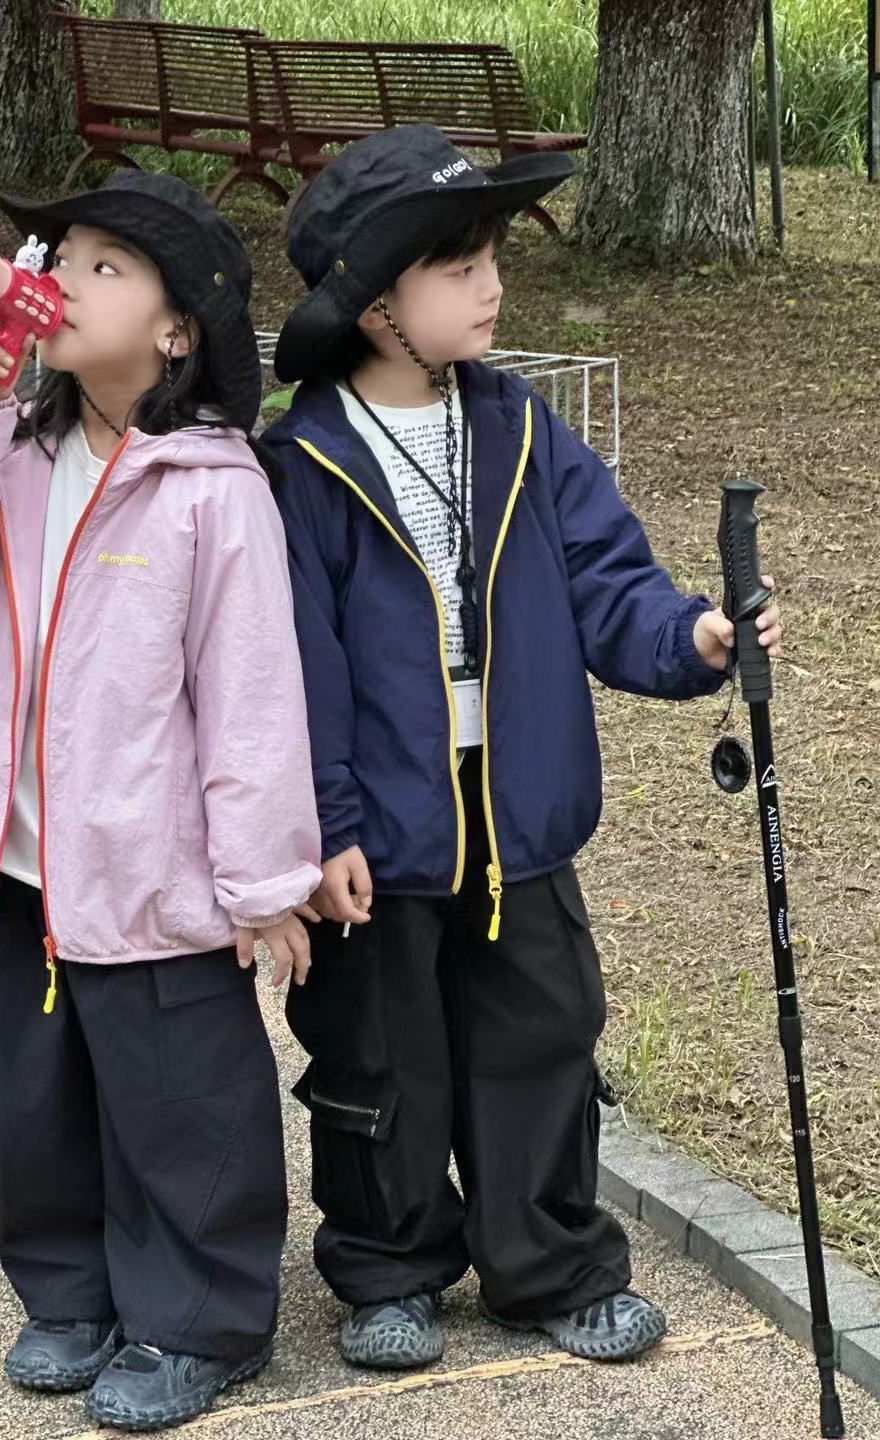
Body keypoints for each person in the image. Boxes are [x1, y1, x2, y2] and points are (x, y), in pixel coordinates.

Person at [261, 126, 783, 1371]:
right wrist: (326, 823)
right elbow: (294, 668)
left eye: (493, 258)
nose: (493, 286)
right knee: (378, 1054)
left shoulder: (519, 428)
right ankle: (390, 1267)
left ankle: (550, 1262)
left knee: (541, 1039)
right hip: (378, 830)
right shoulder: (306, 461)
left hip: (519, 810)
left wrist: (694, 636)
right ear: (377, 306)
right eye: (461, 267)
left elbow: (608, 577)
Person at [0, 170, 322, 1430]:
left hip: (153, 879)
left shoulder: (213, 488)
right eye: (59, 254)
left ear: (177, 333)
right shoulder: (13, 449)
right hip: (18, 871)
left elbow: (250, 699)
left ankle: (197, 1320)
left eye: (105, 267)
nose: (60, 278)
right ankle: (68, 1295)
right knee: (26, 1108)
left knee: (184, 1115)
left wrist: (263, 882)